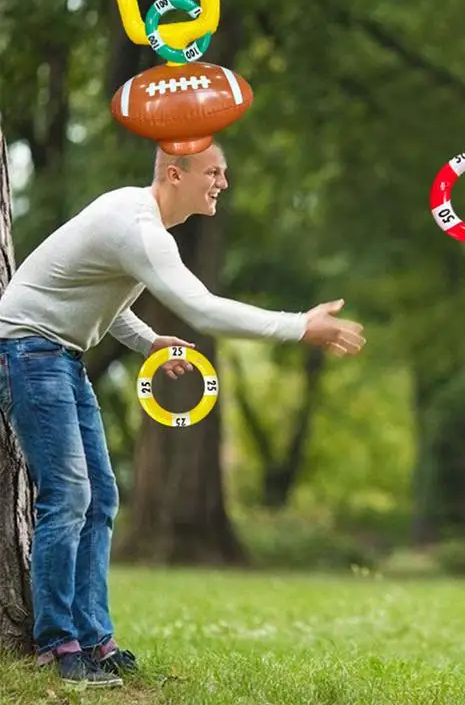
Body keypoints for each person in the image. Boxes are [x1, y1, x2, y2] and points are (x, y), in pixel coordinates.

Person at [0, 141, 366, 688]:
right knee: (70, 495)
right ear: (176, 173)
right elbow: (204, 309)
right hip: (28, 350)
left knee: (101, 495)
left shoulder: (141, 223)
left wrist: (146, 341)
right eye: (213, 172)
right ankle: (57, 645)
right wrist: (299, 326)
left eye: (224, 171)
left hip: (58, 354)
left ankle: (95, 636)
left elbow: (100, 295)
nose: (223, 182)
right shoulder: (139, 227)